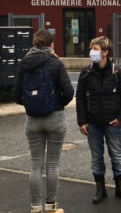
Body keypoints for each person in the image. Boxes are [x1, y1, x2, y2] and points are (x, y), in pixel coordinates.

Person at [13, 29, 74, 213]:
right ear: (51, 44)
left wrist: (31, 105)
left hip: (32, 120)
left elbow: (16, 95)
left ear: (35, 43)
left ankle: (35, 207)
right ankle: (51, 205)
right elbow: (69, 92)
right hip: (55, 118)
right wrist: (57, 104)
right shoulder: (55, 63)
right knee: (53, 164)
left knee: (35, 165)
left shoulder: (24, 63)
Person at [75, 36, 121, 204]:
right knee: (96, 157)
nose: (92, 52)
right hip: (92, 122)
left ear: (106, 52)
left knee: (116, 155)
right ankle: (100, 189)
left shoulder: (118, 72)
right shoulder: (86, 72)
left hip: (112, 122)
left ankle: (120, 188)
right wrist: (82, 121)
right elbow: (79, 97)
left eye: (96, 49)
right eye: (91, 49)